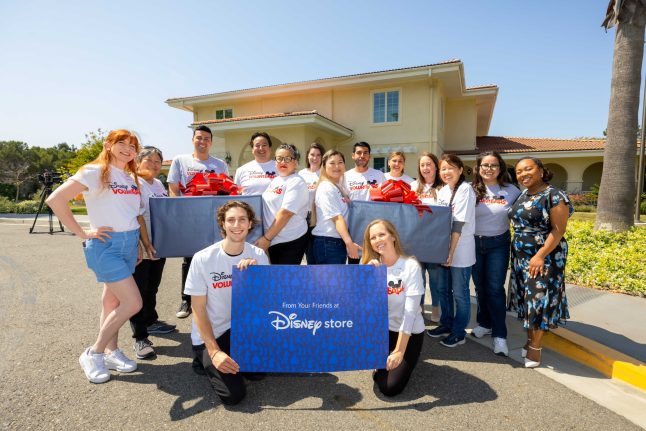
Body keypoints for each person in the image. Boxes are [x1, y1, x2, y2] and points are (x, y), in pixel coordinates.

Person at [46, 129, 144, 384]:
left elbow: (131, 214)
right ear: (108, 145)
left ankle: (112, 352)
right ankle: (94, 352)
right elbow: (56, 199)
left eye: (133, 146)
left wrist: (138, 246)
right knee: (133, 303)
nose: (128, 149)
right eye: (121, 143)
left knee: (111, 303)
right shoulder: (93, 171)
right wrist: (81, 232)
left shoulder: (131, 175)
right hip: (106, 246)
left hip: (129, 244)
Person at [186, 201, 269, 405]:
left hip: (241, 329)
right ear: (222, 224)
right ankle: (203, 356)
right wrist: (214, 352)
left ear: (250, 224)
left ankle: (231, 358)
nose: (237, 224)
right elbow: (198, 308)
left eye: (242, 219)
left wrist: (256, 277)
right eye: (230, 220)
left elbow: (265, 303)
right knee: (233, 396)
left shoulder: (258, 255)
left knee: (257, 373)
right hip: (213, 333)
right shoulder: (202, 258)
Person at [508, 157, 572, 368]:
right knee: (527, 301)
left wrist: (540, 255)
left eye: (528, 169)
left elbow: (558, 229)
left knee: (538, 301)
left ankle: (535, 349)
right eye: (519, 171)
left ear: (542, 171)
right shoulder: (523, 194)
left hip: (543, 257)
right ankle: (529, 341)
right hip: (521, 256)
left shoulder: (554, 195)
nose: (523, 174)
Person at [167, 125, 229, 319]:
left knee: (216, 256)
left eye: (207, 139)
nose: (203, 141)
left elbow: (226, 190)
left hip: (214, 217)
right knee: (190, 258)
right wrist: (179, 213)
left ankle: (213, 296)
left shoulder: (220, 164)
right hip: (190, 217)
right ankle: (187, 299)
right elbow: (173, 188)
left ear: (211, 142)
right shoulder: (180, 160)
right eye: (199, 138)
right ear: (193, 139)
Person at [362, 219, 425, 397]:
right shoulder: (370, 265)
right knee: (358, 357)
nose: (378, 240)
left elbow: (410, 313)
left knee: (389, 387)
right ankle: (383, 359)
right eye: (373, 237)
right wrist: (366, 276)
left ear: (393, 237)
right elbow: (361, 306)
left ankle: (396, 357)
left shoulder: (410, 266)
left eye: (381, 234)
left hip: (408, 332)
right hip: (381, 331)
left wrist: (399, 351)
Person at [470, 152, 521, 357]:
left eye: (493, 165)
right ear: (478, 168)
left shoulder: (512, 191)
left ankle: (500, 335)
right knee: (480, 287)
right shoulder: (471, 190)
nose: (488, 168)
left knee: (494, 288)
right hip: (473, 243)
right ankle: (484, 323)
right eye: (485, 165)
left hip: (498, 243)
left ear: (500, 168)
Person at [129, 146, 176, 360]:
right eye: (150, 161)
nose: (155, 165)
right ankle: (140, 337)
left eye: (158, 161)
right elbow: (134, 217)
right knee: (137, 292)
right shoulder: (132, 182)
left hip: (159, 244)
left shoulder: (157, 184)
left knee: (152, 287)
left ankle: (150, 321)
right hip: (140, 245)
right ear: (138, 162)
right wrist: (143, 242)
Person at [426, 154, 476, 348]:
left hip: (460, 249)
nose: (446, 172)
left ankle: (459, 332)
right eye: (443, 169)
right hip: (444, 247)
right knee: (443, 290)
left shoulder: (465, 190)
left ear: (460, 170)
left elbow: (458, 224)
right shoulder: (443, 191)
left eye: (451, 168)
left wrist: (450, 252)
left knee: (460, 294)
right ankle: (446, 324)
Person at [257, 144, 309, 264]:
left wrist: (266, 238)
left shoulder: (296, 182)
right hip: (274, 240)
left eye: (287, 158)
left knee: (285, 280)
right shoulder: (276, 180)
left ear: (295, 162)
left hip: (290, 241)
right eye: (279, 158)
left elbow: (285, 213)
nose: (283, 161)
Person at [410, 152, 443, 322]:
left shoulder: (443, 187)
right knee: (418, 277)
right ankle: (420, 308)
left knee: (436, 278)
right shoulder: (413, 186)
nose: (425, 168)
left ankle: (436, 307)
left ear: (436, 166)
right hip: (416, 240)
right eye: (422, 165)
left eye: (429, 164)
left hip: (436, 240)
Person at [311, 150, 361, 264]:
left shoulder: (337, 187)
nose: (337, 166)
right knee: (331, 282)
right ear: (324, 166)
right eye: (332, 163)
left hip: (335, 243)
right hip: (329, 244)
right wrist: (349, 243)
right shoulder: (326, 187)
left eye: (340, 162)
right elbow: (337, 219)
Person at [343, 142, 386, 264]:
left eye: (365, 153)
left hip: (374, 228)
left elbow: (384, 200)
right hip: (353, 228)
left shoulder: (379, 175)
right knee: (354, 264)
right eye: (359, 153)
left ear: (369, 156)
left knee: (375, 264)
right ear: (353, 155)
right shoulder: (345, 176)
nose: (362, 155)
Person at [298, 142, 325, 263]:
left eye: (318, 155)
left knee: (318, 252)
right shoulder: (301, 174)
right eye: (312, 154)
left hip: (320, 217)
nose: (315, 158)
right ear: (307, 156)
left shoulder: (325, 173)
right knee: (308, 253)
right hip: (304, 218)